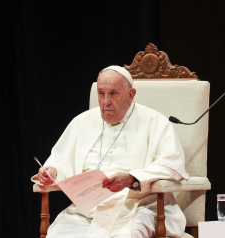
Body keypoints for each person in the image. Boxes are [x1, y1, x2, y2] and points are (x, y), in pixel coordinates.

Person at [33, 65, 189, 238]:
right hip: (85, 210)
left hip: (136, 208)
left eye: (113, 93)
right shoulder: (82, 121)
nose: (105, 101)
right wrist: (52, 172)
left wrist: (131, 179)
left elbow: (172, 165)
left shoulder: (155, 122)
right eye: (101, 94)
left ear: (130, 95)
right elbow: (60, 161)